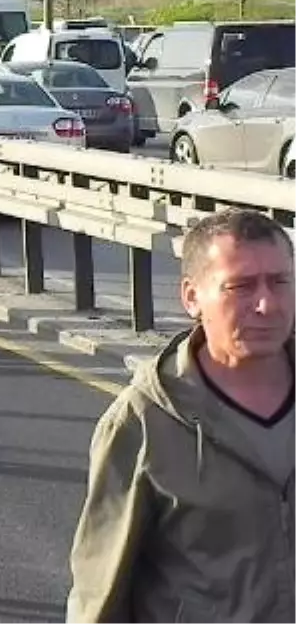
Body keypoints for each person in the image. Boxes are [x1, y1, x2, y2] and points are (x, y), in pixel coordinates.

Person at [67, 209, 296, 622]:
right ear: (191, 297)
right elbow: (99, 593)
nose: (267, 304)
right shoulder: (142, 423)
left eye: (280, 282)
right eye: (241, 287)